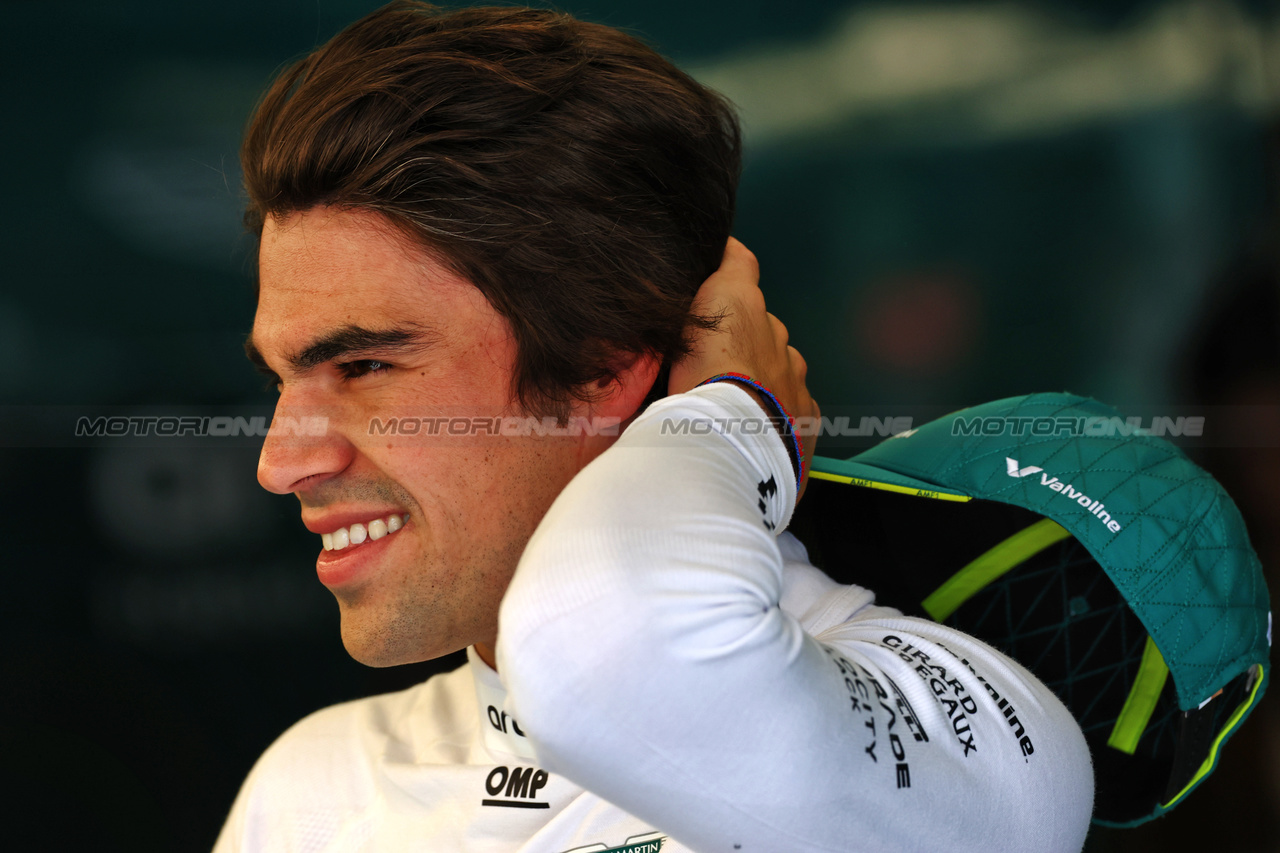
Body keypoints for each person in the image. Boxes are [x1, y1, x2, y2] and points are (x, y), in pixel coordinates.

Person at [216, 3, 1094, 851]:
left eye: (365, 367)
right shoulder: (312, 792)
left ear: (603, 363)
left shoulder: (959, 730)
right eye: (284, 380)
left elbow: (602, 648)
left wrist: (739, 416)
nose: (283, 462)